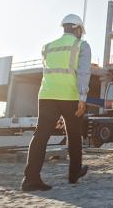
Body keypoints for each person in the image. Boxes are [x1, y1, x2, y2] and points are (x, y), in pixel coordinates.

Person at [21, 14, 91, 191]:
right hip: (70, 96)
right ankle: (74, 174)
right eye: (80, 31)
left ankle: (30, 179)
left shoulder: (48, 47)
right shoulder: (81, 45)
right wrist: (83, 98)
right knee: (74, 135)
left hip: (46, 95)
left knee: (40, 136)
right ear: (77, 29)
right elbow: (83, 73)